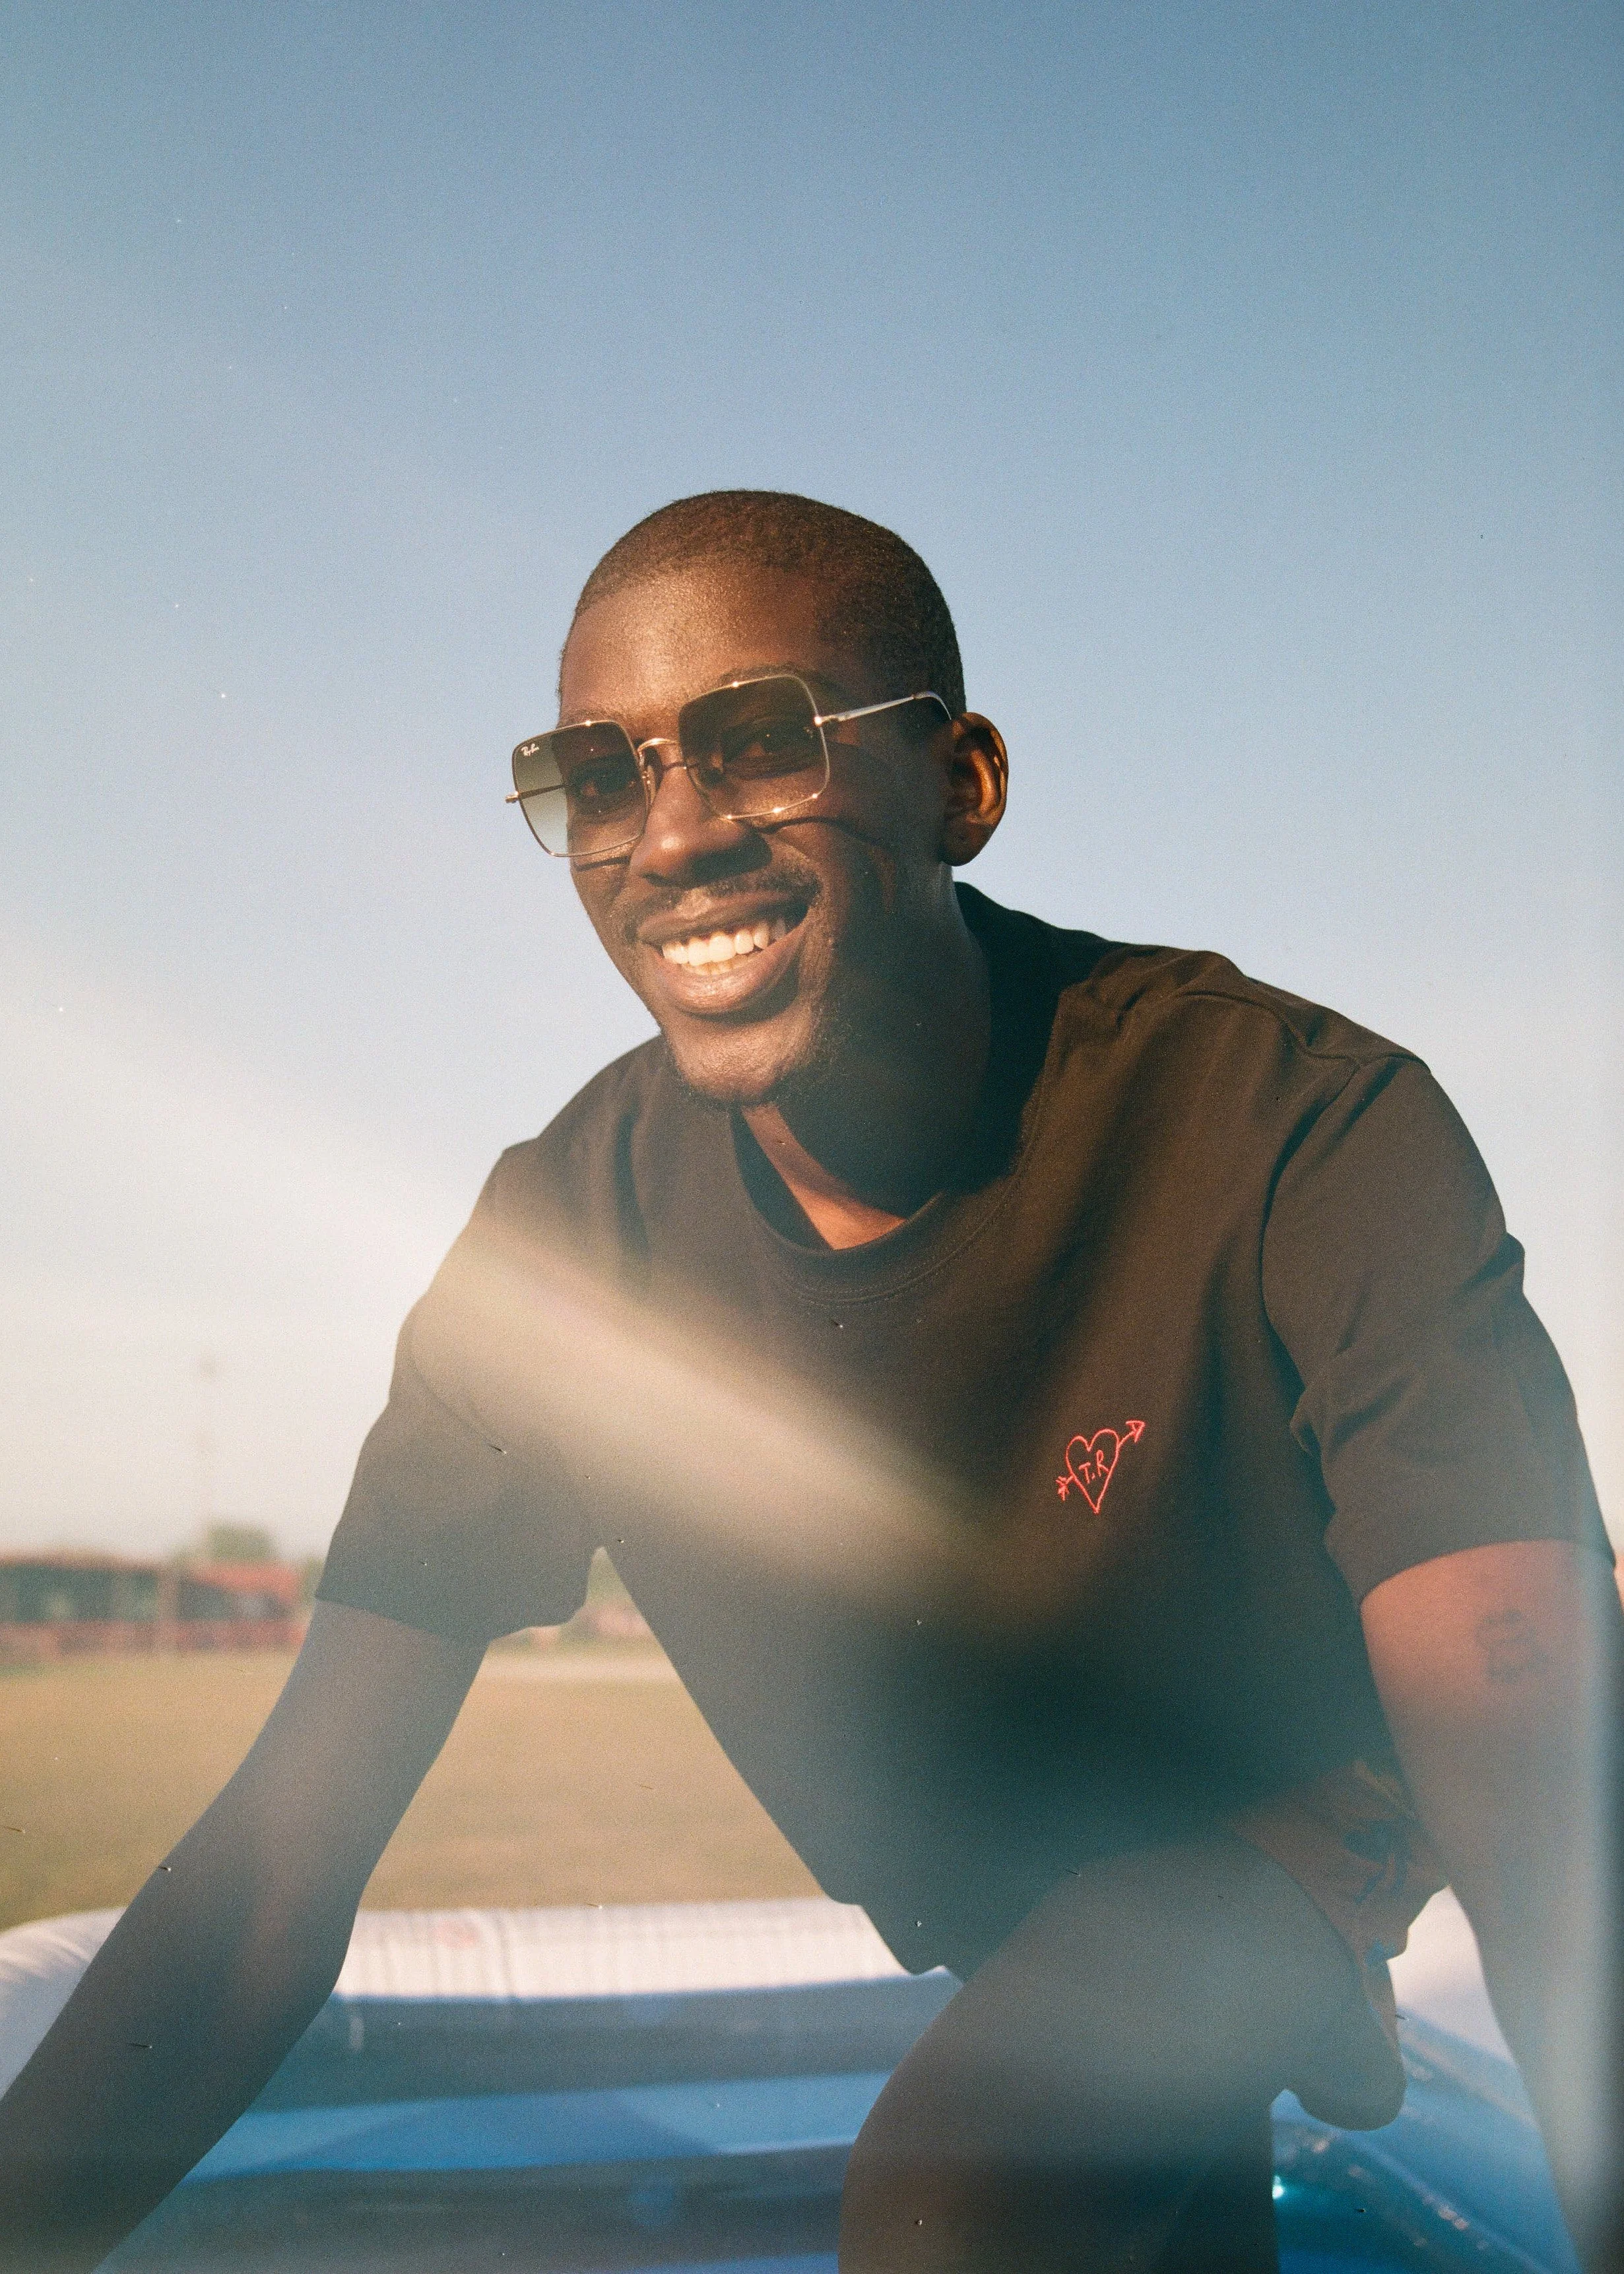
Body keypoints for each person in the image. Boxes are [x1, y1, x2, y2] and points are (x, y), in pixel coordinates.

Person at [2, 492, 1617, 2273]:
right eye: (596, 777)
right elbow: (270, 1881)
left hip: (1297, 1804)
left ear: (960, 784)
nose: (671, 831)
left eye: (757, 741)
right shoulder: (566, 1256)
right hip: (1011, 1874)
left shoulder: (1289, 1122)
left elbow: (1530, 1753)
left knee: (960, 2183)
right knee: (1103, 2139)